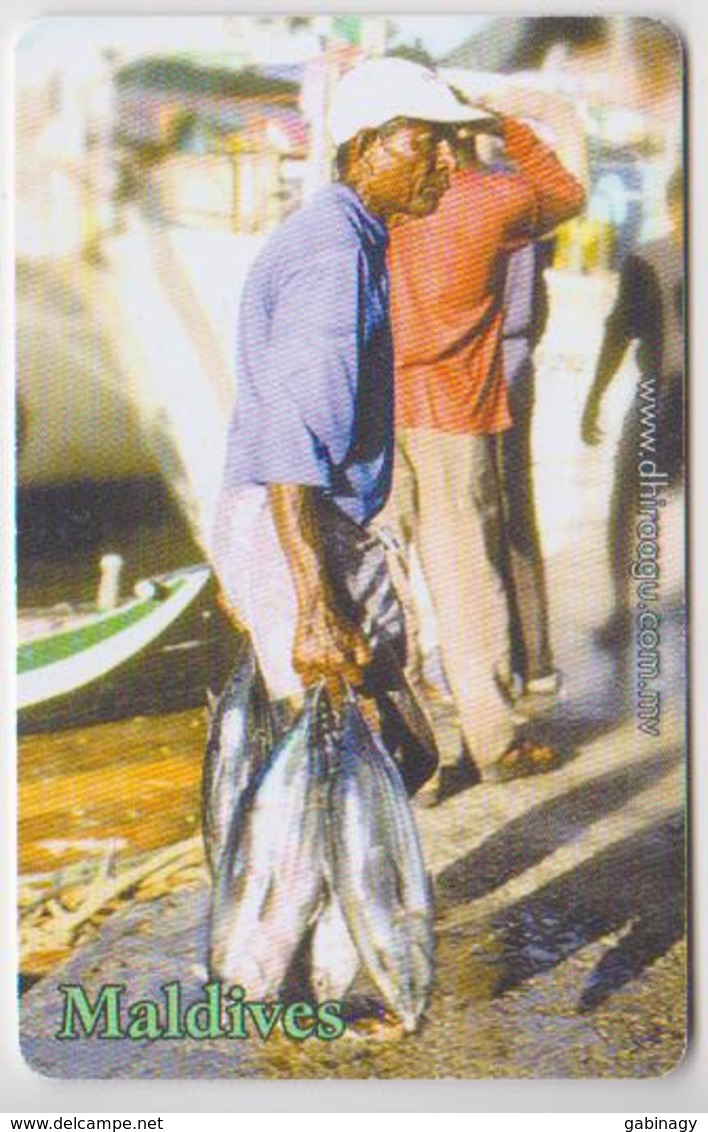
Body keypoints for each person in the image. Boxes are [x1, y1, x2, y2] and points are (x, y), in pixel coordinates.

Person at [210, 57, 490, 791]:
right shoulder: (335, 253)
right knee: (353, 774)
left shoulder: (348, 237)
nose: (445, 163)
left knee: (396, 757)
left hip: (297, 522)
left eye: (449, 145)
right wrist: (312, 603)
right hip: (303, 525)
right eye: (424, 143)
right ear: (365, 145)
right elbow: (290, 438)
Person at [386, 86, 585, 792]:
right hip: (455, 415)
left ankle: (409, 756)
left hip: (379, 410)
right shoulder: (489, 199)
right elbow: (566, 192)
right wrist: (512, 122)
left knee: (389, 586)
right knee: (468, 586)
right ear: (462, 136)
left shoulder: (379, 204)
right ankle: (492, 743)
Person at [581, 168, 684, 645]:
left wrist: (594, 399)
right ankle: (623, 607)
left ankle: (623, 608)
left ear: (671, 204)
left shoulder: (648, 257)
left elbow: (618, 333)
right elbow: (618, 330)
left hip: (663, 393)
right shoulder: (646, 258)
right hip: (663, 392)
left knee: (628, 500)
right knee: (630, 496)